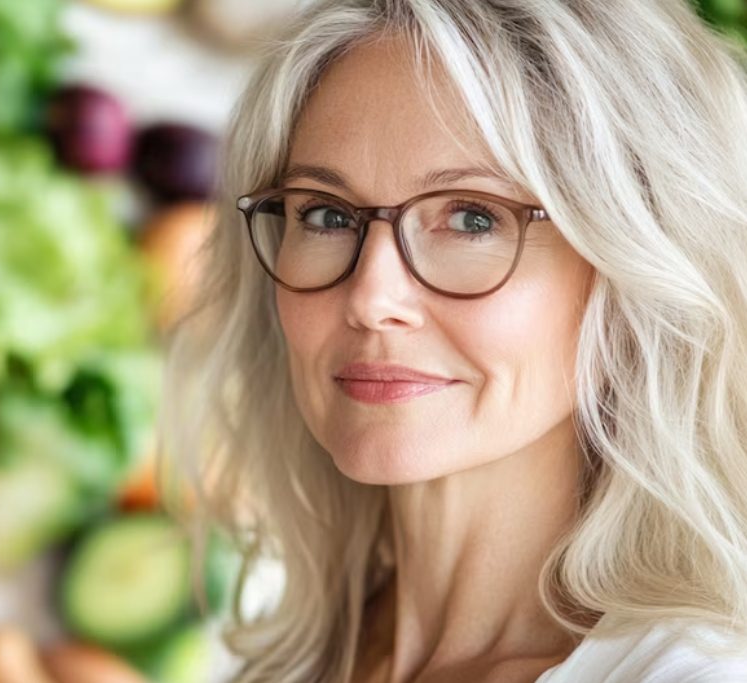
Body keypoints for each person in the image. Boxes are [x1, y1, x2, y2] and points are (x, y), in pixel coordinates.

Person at [160, 0, 747, 681]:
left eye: (472, 218)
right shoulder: (264, 656)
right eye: (324, 213)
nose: (371, 298)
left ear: (628, 272)